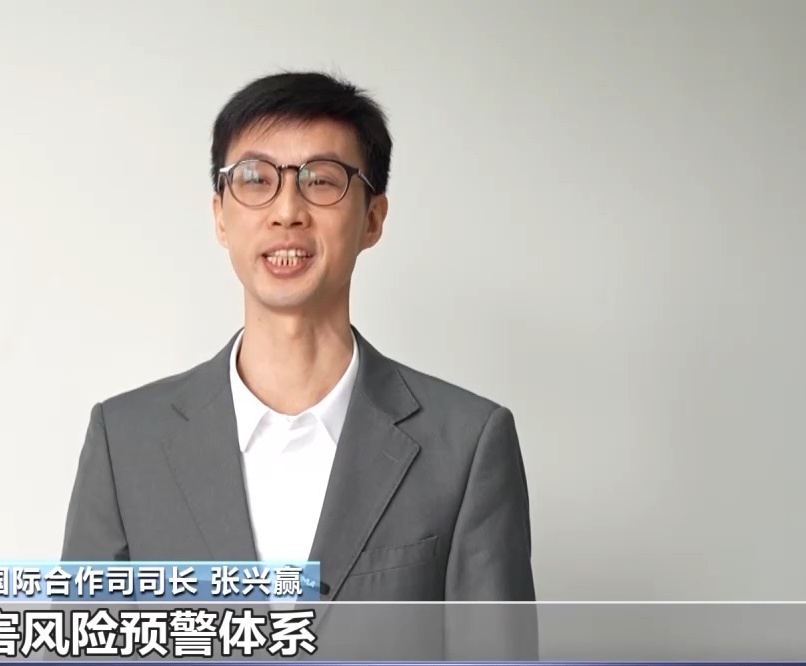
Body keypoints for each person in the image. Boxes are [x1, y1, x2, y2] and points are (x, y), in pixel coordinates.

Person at [61, 71, 535, 603]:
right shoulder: (126, 443)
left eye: (322, 181)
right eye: (256, 179)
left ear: (373, 218)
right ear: (220, 216)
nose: (287, 212)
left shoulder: (467, 445)